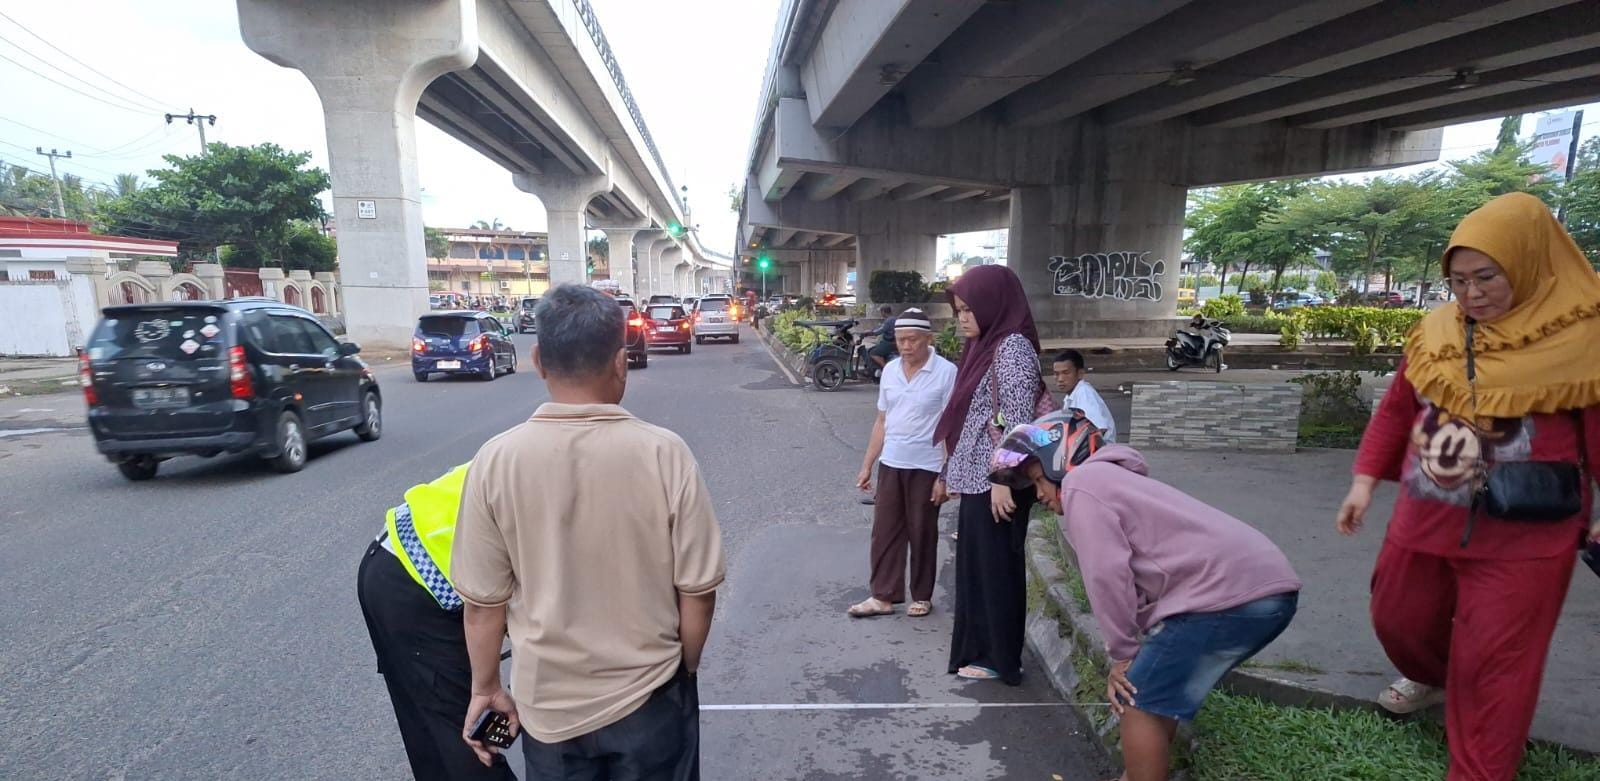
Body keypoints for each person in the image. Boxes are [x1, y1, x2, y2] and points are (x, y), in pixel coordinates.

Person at [1334, 193, 1600, 781]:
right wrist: (1363, 483)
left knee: (1497, 666)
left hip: (1527, 537)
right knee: (1397, 617)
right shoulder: (1434, 331)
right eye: (1458, 281)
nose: (1471, 294)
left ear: (1528, 267)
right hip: (1424, 518)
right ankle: (1435, 680)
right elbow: (1398, 409)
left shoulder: (1585, 337)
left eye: (1486, 278)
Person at [452, 284, 726, 779]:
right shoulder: (665, 453)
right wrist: (683, 672)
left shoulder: (497, 460)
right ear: (621, 361)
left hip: (549, 713)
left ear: (537, 360)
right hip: (651, 697)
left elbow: (483, 604)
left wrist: (485, 687)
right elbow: (698, 593)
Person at [990, 413, 1300, 781]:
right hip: (1262, 588)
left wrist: (1122, 655)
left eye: (1039, 480)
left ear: (1063, 460)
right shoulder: (1114, 479)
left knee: (1135, 700)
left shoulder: (1082, 486)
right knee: (1154, 692)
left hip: (1229, 595)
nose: (1039, 495)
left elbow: (1107, 573)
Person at [357, 464, 516, 781]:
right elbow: (496, 607)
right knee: (462, 732)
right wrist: (488, 685)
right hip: (413, 580)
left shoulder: (527, 451)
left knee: (428, 731)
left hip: (391, 561)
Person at [933, 264, 1045, 684]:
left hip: (999, 484)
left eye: (968, 309)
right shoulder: (985, 345)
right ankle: (982, 650)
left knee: (997, 570)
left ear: (993, 304)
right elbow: (973, 418)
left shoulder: (1011, 347)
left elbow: (1018, 422)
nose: (962, 318)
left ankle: (1000, 658)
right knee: (979, 570)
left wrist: (1001, 481)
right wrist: (949, 472)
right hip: (981, 480)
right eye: (958, 310)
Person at [849, 308, 958, 619]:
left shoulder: (946, 372)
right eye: (900, 340)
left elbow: (951, 427)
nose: (906, 346)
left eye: (912, 340)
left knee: (923, 530)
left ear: (928, 339)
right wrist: (867, 464)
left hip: (927, 464)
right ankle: (883, 595)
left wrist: (946, 475)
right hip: (892, 462)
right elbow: (882, 421)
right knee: (884, 530)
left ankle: (921, 595)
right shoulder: (891, 371)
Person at [1053, 349, 1116, 442]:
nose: (1060, 379)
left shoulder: (1084, 394)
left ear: (1080, 374)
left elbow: (1099, 429)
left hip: (1100, 452)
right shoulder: (1071, 396)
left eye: (1066, 373)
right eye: (1056, 374)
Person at [867, 305, 898, 370]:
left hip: (889, 343)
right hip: (893, 342)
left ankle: (886, 369)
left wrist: (869, 333)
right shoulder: (894, 319)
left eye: (881, 312)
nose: (881, 314)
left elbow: (879, 331)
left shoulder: (889, 321)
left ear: (883, 312)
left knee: (873, 353)